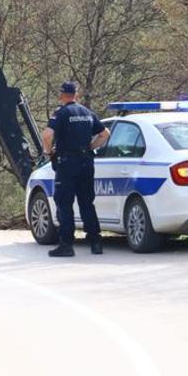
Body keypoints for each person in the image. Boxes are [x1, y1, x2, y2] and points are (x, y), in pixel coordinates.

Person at [41, 82, 110, 257]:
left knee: (64, 203)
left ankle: (66, 245)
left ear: (61, 94)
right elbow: (105, 134)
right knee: (87, 202)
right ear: (76, 94)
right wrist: (90, 147)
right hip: (86, 162)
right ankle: (96, 243)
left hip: (67, 163)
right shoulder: (87, 113)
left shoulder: (61, 113)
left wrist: (48, 152)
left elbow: (47, 135)